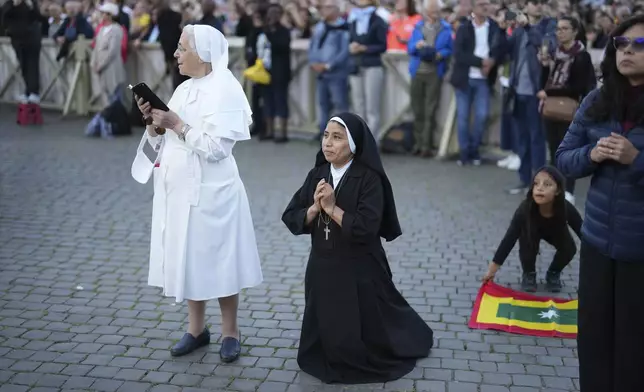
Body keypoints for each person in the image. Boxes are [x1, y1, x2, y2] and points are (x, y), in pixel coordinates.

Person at [131, 24, 263, 361]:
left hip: (214, 192)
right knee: (188, 258)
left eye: (181, 48)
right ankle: (195, 329)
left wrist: (177, 124)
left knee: (221, 261)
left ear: (202, 54)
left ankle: (230, 332)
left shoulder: (227, 89)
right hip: (179, 191)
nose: (176, 54)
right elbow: (161, 141)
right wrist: (153, 122)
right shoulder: (183, 89)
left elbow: (219, 149)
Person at [281, 112, 433, 384]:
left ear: (353, 145)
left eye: (337, 137)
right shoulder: (318, 174)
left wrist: (332, 208)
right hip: (322, 265)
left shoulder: (368, 179)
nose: (327, 143)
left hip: (359, 267)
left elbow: (366, 228)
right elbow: (291, 216)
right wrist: (315, 208)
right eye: (325, 135)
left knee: (372, 326)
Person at [556, 15, 644, 392]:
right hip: (596, 242)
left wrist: (635, 160)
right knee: (592, 337)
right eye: (621, 44)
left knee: (633, 344)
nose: (627, 51)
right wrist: (592, 154)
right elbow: (563, 159)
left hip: (638, 251)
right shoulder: (597, 100)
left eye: (638, 45)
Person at [483, 165, 582, 292]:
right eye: (536, 184)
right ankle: (529, 274)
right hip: (531, 231)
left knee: (569, 248)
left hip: (556, 232)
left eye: (547, 184)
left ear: (557, 191)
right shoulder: (524, 210)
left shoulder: (565, 207)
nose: (540, 188)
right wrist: (491, 271)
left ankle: (553, 273)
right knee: (527, 244)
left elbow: (583, 233)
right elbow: (509, 240)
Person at [537, 16, 595, 205]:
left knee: (567, 151)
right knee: (553, 150)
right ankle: (554, 187)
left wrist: (550, 91)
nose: (560, 32)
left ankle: (568, 190)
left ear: (574, 31)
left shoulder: (581, 55)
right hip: (551, 108)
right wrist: (544, 66)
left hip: (569, 109)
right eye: (558, 29)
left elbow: (579, 86)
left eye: (564, 28)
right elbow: (547, 80)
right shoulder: (555, 53)